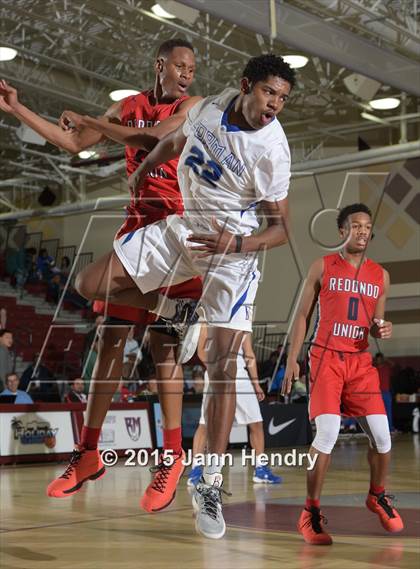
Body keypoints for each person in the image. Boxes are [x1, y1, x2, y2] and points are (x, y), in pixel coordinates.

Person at [73, 53, 294, 538]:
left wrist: (237, 243)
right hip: (182, 231)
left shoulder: (273, 150)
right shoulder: (213, 105)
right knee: (91, 285)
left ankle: (210, 484)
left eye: (282, 98)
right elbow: (175, 139)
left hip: (231, 255)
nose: (274, 104)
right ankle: (179, 307)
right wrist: (145, 166)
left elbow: (280, 230)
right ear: (244, 86)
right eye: (268, 93)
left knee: (220, 367)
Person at [0, 38, 202, 511]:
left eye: (193, 67)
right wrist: (18, 109)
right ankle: (88, 452)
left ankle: (171, 457)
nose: (188, 73)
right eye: (180, 65)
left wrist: (95, 122)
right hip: (137, 232)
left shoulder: (192, 107)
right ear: (160, 65)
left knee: (163, 347)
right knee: (109, 337)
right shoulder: (128, 105)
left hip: (177, 232)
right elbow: (73, 142)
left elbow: (153, 140)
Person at [282, 203, 404, 546]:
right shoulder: (322, 266)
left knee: (383, 436)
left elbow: (376, 325)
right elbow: (303, 315)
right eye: (356, 226)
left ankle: (377, 495)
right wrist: (293, 358)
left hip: (359, 361)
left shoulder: (380, 275)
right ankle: (310, 512)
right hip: (326, 358)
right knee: (327, 434)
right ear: (342, 232)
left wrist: (383, 329)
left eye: (367, 226)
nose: (362, 231)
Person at [188, 332, 281, 487]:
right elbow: (201, 350)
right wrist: (214, 370)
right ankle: (196, 470)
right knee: (205, 424)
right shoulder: (210, 314)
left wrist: (256, 384)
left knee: (256, 423)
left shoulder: (244, 316)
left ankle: (260, 469)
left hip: (241, 377)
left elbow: (249, 353)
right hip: (215, 375)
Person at [374, 352, 395, 432]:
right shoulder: (374, 368)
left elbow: (394, 365)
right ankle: (379, 429)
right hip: (377, 393)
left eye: (380, 359)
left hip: (386, 393)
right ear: (376, 360)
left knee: (388, 412)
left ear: (382, 359)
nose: (379, 361)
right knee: (377, 413)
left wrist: (387, 360)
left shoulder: (387, 367)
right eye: (377, 359)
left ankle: (390, 428)